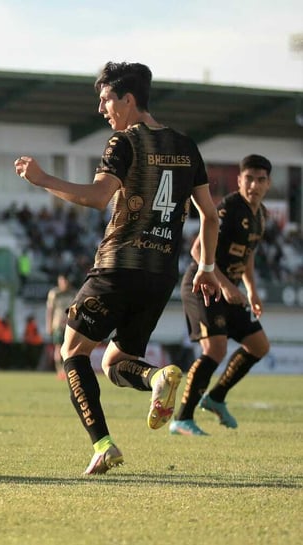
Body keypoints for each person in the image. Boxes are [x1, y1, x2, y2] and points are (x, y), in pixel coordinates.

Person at [14, 61, 221, 475]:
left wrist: (42, 179)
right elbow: (211, 216)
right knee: (113, 364)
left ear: (129, 99)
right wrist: (208, 267)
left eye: (106, 99)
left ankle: (103, 445)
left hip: (118, 267)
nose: (102, 109)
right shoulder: (186, 145)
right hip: (161, 274)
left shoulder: (123, 142)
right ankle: (156, 377)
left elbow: (96, 197)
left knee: (72, 352)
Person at [170, 154, 272, 436]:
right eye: (248, 179)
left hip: (230, 291)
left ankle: (215, 397)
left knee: (259, 346)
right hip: (204, 286)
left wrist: (251, 290)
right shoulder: (228, 210)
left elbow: (247, 256)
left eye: (260, 180)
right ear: (239, 180)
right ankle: (182, 418)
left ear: (268, 184)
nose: (254, 185)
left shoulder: (260, 215)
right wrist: (227, 286)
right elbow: (196, 251)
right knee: (215, 350)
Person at [45, 273, 75, 379]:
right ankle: (59, 370)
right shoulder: (54, 293)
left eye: (65, 281)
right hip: (57, 324)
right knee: (58, 347)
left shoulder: (73, 293)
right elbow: (50, 310)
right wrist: (48, 325)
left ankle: (68, 370)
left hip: (70, 325)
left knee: (70, 348)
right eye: (61, 281)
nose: (63, 284)